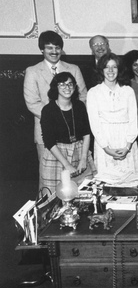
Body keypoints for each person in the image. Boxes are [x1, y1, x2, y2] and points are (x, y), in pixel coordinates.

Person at [24, 30, 87, 190]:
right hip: (47, 134)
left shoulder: (73, 68)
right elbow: (32, 102)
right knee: (49, 180)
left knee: (78, 179)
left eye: (57, 47)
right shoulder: (32, 71)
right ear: (42, 50)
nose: (54, 51)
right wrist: (56, 118)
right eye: (49, 48)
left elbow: (82, 97)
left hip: (74, 134)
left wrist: (70, 116)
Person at [40, 72, 96, 193]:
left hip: (80, 152)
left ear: (75, 87)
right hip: (57, 156)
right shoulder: (48, 110)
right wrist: (67, 165)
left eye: (70, 84)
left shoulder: (80, 106)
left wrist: (83, 159)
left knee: (85, 194)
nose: (67, 87)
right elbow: (49, 142)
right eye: (62, 84)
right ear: (56, 87)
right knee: (55, 197)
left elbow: (87, 133)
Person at [86, 53, 138, 174]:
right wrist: (106, 148)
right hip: (105, 142)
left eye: (114, 67)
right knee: (107, 183)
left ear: (119, 69)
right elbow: (95, 123)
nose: (110, 70)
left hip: (126, 142)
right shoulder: (93, 92)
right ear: (101, 70)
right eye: (107, 67)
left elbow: (133, 120)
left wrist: (127, 146)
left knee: (129, 182)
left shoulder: (128, 91)